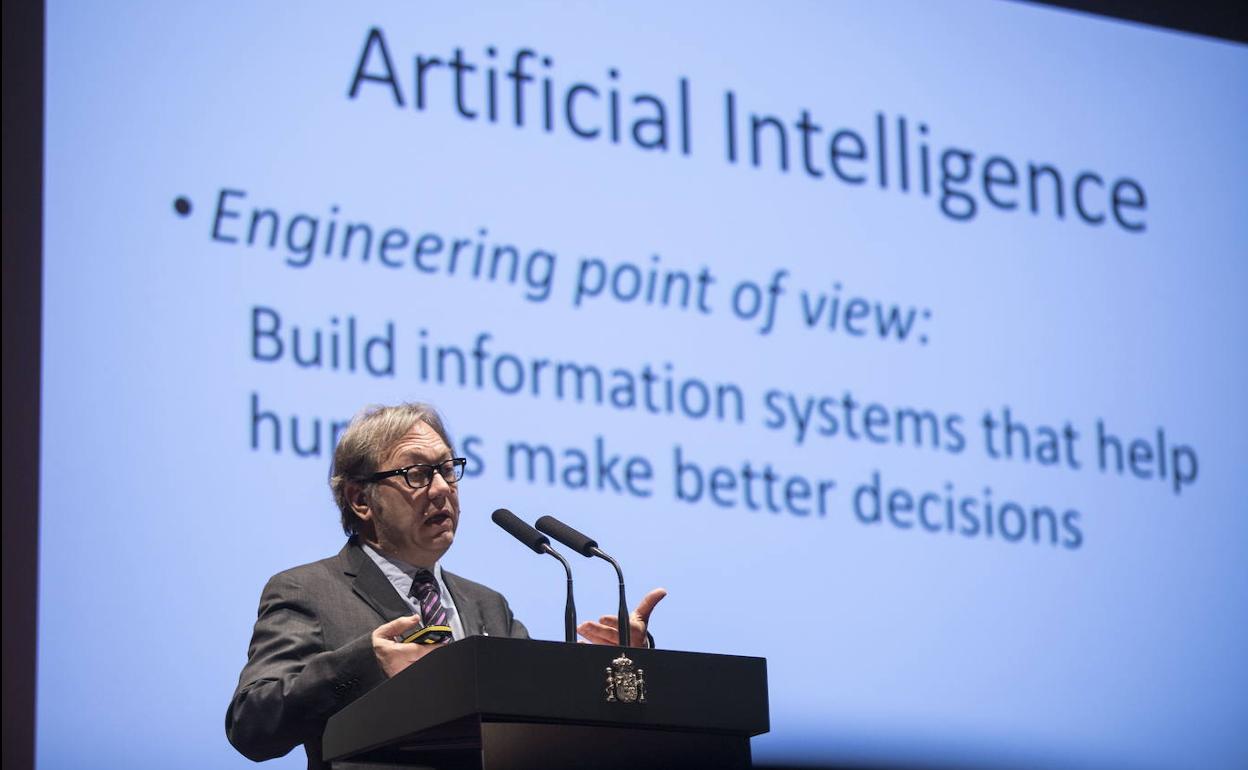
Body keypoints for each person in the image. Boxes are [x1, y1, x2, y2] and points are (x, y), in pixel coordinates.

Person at [225, 402, 665, 768]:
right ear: (361, 499)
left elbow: (543, 709)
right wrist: (366, 663)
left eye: (447, 469)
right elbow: (251, 725)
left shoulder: (487, 605)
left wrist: (611, 665)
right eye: (417, 474)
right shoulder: (308, 590)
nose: (441, 489)